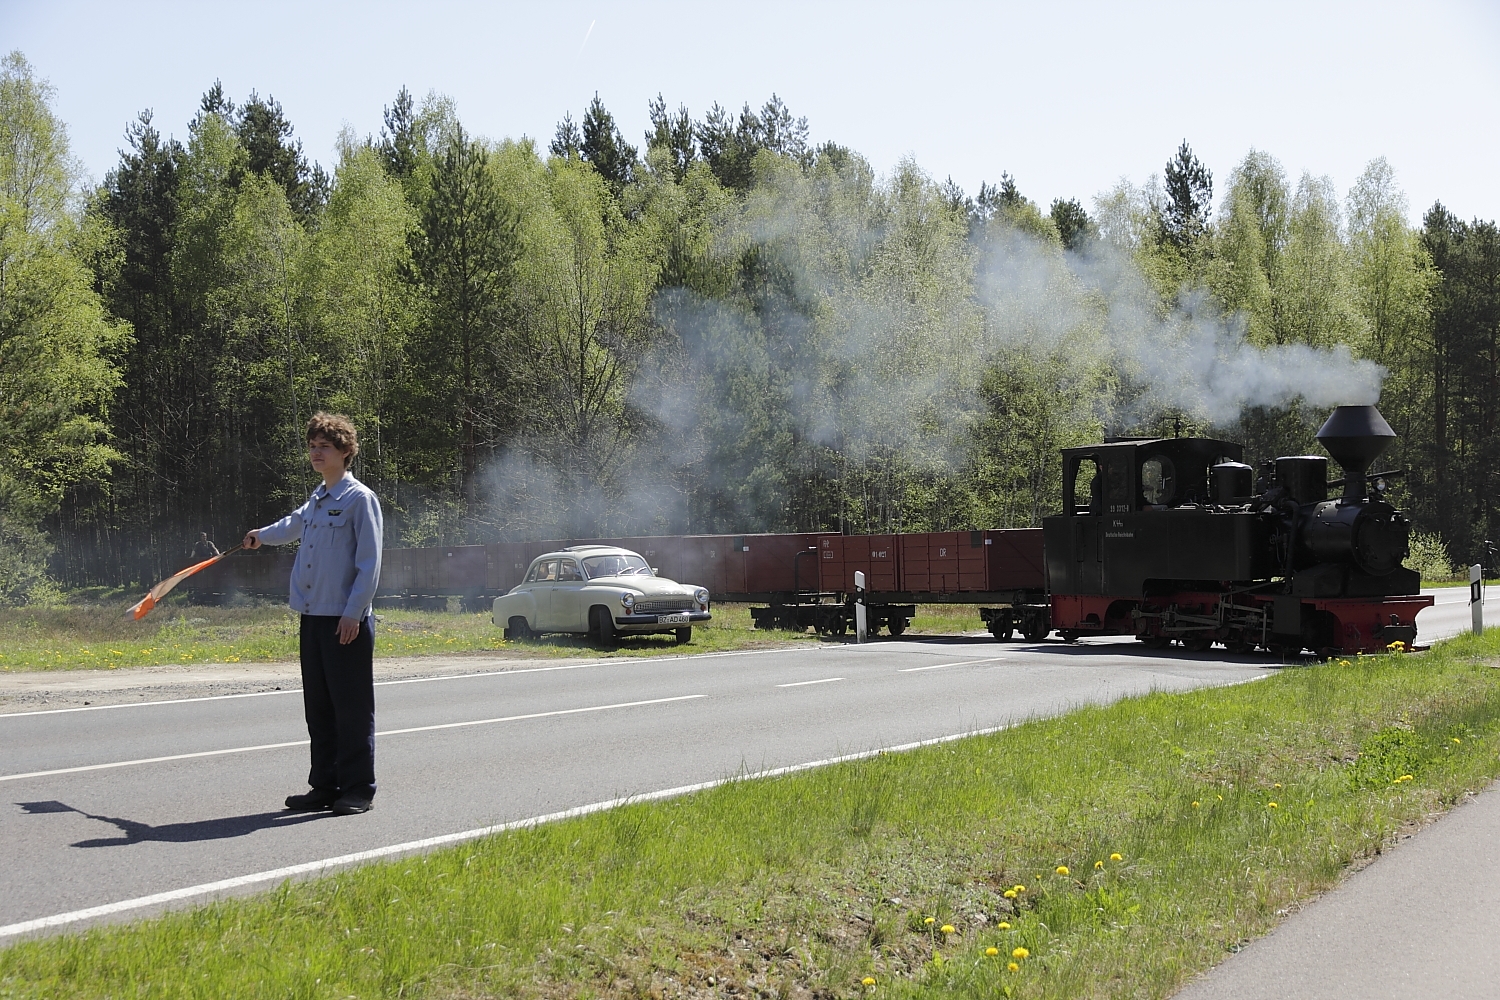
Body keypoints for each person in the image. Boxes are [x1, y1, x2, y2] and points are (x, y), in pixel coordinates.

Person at [244, 413, 383, 816]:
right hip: (313, 617)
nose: (316, 452)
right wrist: (260, 536)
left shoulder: (359, 499)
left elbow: (369, 564)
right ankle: (324, 784)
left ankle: (358, 788)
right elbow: (293, 524)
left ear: (345, 451)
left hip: (346, 620)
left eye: (324, 446)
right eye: (312, 446)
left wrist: (354, 613)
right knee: (319, 709)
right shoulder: (319, 498)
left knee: (352, 708)